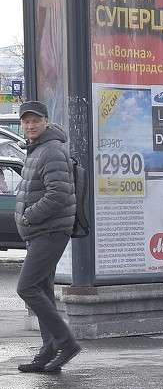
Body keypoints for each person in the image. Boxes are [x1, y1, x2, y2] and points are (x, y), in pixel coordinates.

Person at [15, 100, 81, 373]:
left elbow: (58, 194)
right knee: (41, 289)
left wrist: (29, 216)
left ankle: (66, 342)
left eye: (36, 121)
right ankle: (47, 351)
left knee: (26, 288)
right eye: (26, 121)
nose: (30, 125)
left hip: (50, 231)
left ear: (46, 121)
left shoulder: (51, 151)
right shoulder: (38, 149)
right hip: (40, 232)